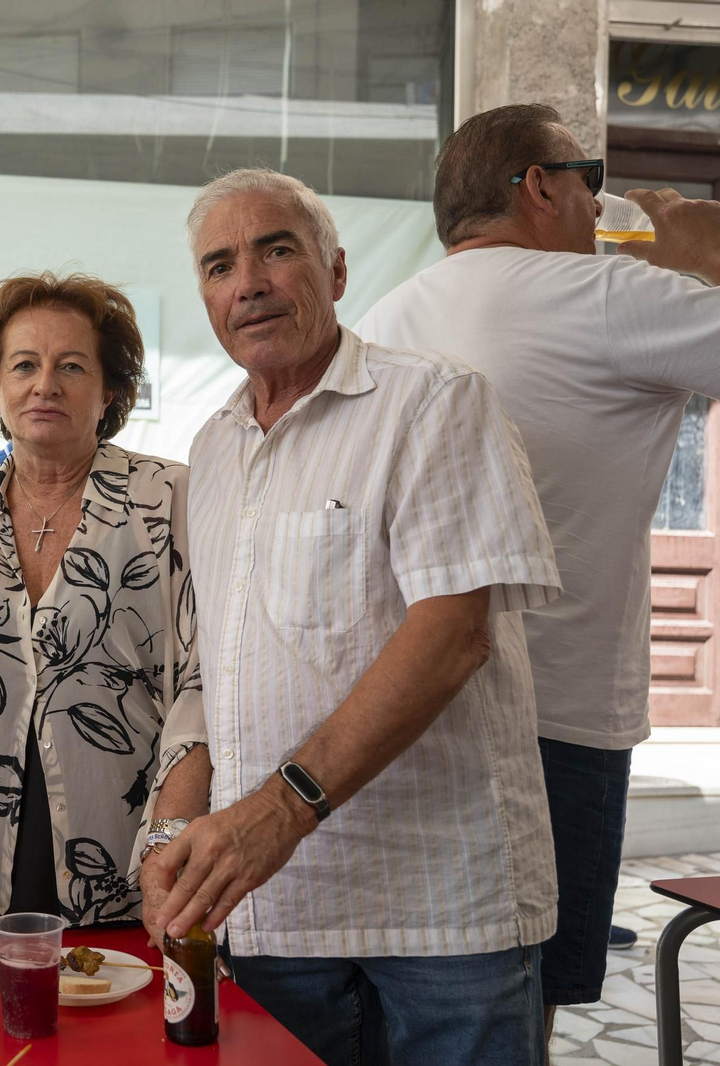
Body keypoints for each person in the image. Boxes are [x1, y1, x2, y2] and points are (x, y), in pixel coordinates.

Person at [147, 169, 562, 1066]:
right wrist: (173, 830)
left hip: (440, 914)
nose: (248, 283)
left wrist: (281, 809)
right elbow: (219, 668)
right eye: (219, 266)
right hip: (272, 914)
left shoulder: (434, 401)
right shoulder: (212, 450)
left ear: (336, 272)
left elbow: (453, 637)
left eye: (276, 250)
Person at [354, 103, 720, 1028]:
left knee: (417, 995)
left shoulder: (381, 319)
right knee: (523, 1010)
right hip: (555, 717)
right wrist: (701, 248)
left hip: (397, 706)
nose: (600, 207)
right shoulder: (608, 296)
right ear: (541, 188)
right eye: (589, 181)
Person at [0, 271, 211, 929]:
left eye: (71, 365)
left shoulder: (170, 500)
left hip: (138, 865)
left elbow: (203, 681)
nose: (45, 384)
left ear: (111, 390)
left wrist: (170, 842)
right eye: (23, 365)